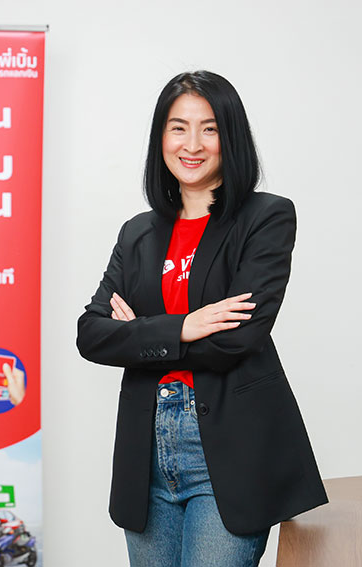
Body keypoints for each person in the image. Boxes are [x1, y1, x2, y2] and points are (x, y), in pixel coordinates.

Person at [76, 71, 328, 567]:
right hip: (147, 449)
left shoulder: (265, 218)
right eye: (178, 128)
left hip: (228, 450)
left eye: (209, 129)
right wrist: (184, 325)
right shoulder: (137, 233)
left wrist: (139, 334)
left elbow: (238, 339)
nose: (192, 144)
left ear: (230, 137)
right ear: (161, 138)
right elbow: (92, 334)